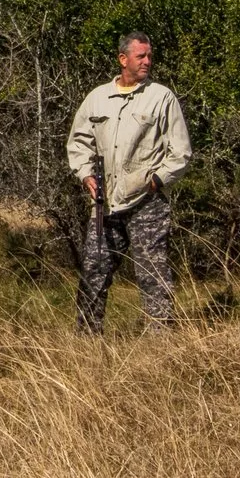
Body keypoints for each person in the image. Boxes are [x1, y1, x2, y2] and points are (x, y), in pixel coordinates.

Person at [65, 32, 191, 332]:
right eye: (141, 56)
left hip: (147, 203)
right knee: (94, 272)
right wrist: (85, 175)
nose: (147, 61)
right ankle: (86, 343)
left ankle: (160, 344)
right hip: (104, 205)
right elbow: (78, 142)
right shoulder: (97, 99)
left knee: (153, 274)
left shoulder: (161, 97)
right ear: (123, 59)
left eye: (149, 56)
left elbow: (181, 151)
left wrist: (157, 181)